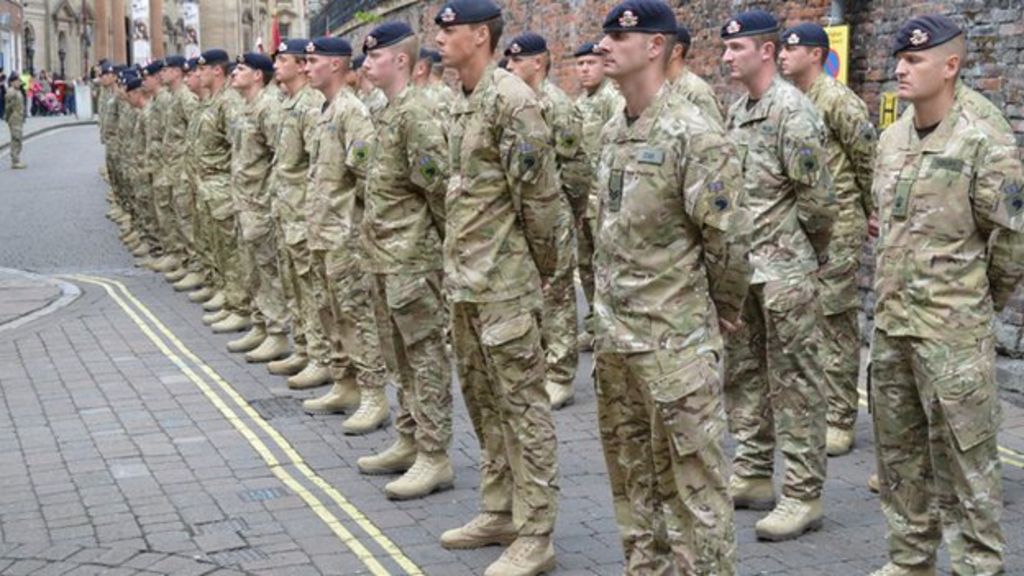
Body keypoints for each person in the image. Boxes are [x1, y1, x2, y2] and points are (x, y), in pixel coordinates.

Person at [593, 0, 752, 572]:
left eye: (620, 35)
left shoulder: (694, 133)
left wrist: (723, 310)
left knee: (697, 496)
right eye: (605, 34)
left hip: (675, 346)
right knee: (634, 487)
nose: (604, 44)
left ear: (655, 46)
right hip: (617, 344)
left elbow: (729, 241)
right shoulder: (614, 129)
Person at [868, 15, 1024, 576]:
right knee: (899, 455)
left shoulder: (984, 141)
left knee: (968, 461)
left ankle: (978, 564)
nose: (901, 70)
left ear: (951, 65)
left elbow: (1011, 242)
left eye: (914, 61)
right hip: (891, 329)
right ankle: (910, 558)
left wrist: (975, 308)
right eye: (899, 61)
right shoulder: (890, 140)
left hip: (952, 334)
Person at [434, 0, 567, 573]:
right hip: (467, 285)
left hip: (505, 285)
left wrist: (541, 270)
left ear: (481, 36)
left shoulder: (512, 101)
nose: (439, 37)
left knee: (523, 410)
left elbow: (539, 199)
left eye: (450, 29)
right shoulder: (462, 100)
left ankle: (537, 531)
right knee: (484, 404)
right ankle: (501, 509)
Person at [720, 9, 835, 541]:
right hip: (746, 272)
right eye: (726, 48)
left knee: (796, 385)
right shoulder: (738, 108)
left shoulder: (793, 112)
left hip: (786, 271)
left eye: (736, 49)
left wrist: (805, 254)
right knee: (745, 378)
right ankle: (753, 473)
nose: (726, 57)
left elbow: (818, 201)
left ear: (766, 52)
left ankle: (803, 494)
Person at [356, 21, 454, 499]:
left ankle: (435, 454)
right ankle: (409, 437)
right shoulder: (387, 111)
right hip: (383, 257)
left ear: (400, 60)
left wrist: (440, 255)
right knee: (399, 358)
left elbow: (439, 190)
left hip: (412, 260)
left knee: (425, 357)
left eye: (374, 56)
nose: (366, 63)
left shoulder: (416, 115)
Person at [779, 23, 877, 457]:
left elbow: (867, 156)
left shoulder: (836, 99)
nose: (782, 55)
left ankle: (840, 416)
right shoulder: (789, 100)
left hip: (839, 224)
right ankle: (815, 406)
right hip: (805, 226)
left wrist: (872, 208)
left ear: (816, 54)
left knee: (835, 319)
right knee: (809, 320)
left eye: (792, 48)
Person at [300, 35, 392, 435]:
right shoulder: (326, 110)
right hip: (322, 232)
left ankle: (373, 393)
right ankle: (345, 381)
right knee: (331, 312)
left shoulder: (352, 112)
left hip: (345, 236)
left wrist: (362, 233)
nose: (306, 67)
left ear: (336, 65)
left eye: (312, 60)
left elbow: (368, 177)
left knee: (356, 315)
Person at [504, 31, 583, 410]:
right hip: (524, 213)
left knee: (558, 294)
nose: (509, 67)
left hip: (553, 212)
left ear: (538, 62)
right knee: (532, 290)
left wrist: (568, 210)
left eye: (517, 60)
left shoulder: (556, 105)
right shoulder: (515, 105)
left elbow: (576, 167)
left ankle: (561, 373)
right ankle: (537, 363)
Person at [265, 39, 329, 384]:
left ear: (302, 65)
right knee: (293, 285)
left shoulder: (310, 106)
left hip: (304, 216)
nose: (276, 65)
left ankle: (320, 355)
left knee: (310, 290)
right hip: (286, 212)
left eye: (283, 59)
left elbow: (318, 167)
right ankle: (304, 348)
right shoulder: (291, 103)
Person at [225, 52, 290, 360]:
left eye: (241, 69)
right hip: (244, 202)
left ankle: (277, 332)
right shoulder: (245, 108)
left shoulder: (269, 108)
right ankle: (261, 323)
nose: (234, 73)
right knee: (252, 269)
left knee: (268, 270)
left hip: (261, 205)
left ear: (257, 76)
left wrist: (268, 200)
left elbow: (282, 158)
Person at [194, 49, 250, 333]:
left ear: (216, 71)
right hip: (210, 188)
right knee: (219, 248)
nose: (198, 74)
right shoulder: (214, 101)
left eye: (202, 69)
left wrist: (234, 189)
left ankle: (240, 306)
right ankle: (229, 298)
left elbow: (238, 149)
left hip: (223, 189)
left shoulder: (229, 103)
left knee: (231, 252)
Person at [573, 41, 622, 352]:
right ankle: (593, 322)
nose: (585, 69)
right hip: (583, 200)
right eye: (580, 64)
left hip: (604, 199)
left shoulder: (611, 100)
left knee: (608, 266)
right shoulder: (579, 103)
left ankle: (611, 326)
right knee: (587, 265)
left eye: (591, 62)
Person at [666, 24, 724, 126]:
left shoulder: (697, 92)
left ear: (676, 51)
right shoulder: (657, 88)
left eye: (658, 45)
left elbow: (715, 136)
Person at [5, 73, 26, 169]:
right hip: (14, 118)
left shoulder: (17, 91)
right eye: (17, 81)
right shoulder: (11, 92)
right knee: (16, 139)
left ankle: (16, 158)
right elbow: (8, 107)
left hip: (19, 118)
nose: (19, 83)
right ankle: (15, 160)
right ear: (12, 82)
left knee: (18, 138)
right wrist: (9, 118)